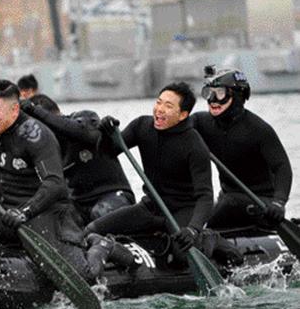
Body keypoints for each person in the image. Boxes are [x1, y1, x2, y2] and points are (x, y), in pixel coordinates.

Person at [0, 79, 137, 283]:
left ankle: (100, 245)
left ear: (14, 109)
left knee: (83, 276)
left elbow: (55, 184)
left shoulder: (36, 136)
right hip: (9, 215)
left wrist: (25, 212)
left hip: (44, 215)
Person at [86, 82, 217, 266]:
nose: (160, 109)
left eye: (168, 106)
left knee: (181, 257)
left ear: (183, 115)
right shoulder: (142, 126)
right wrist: (106, 133)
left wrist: (193, 230)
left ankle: (211, 238)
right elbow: (108, 153)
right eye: (159, 102)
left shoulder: (195, 145)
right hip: (150, 207)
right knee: (92, 229)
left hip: (181, 210)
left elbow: (205, 197)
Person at [191, 66, 292, 229]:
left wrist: (279, 202)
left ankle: (206, 236)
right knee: (222, 203)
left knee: (228, 203)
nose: (212, 100)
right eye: (209, 93)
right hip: (226, 200)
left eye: (220, 93)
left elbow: (282, 167)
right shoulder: (200, 122)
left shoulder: (258, 130)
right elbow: (177, 129)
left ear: (237, 95)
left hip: (260, 203)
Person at [21, 94, 134, 225]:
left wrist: (36, 111)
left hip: (113, 197)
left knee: (100, 213)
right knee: (52, 219)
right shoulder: (42, 146)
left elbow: (92, 135)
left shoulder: (83, 119)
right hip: (80, 204)